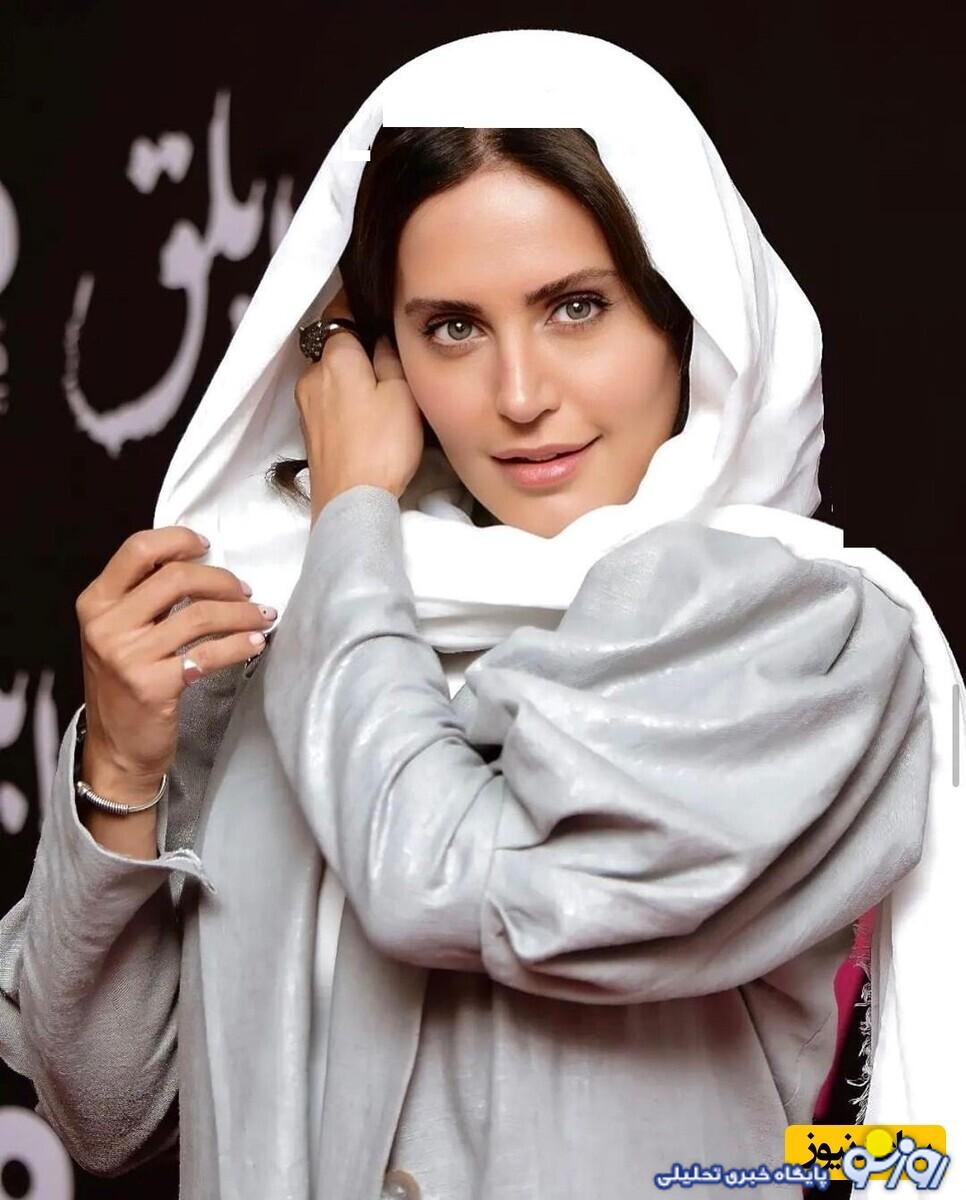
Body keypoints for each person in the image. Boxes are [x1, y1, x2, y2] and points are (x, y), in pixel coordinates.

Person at [0, 29, 959, 1200]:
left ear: (686, 317)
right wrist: (121, 770)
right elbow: (108, 1112)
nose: (519, 394)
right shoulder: (285, 644)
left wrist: (352, 519)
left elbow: (452, 882)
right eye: (452, 326)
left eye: (576, 307)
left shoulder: (809, 641)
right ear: (375, 354)